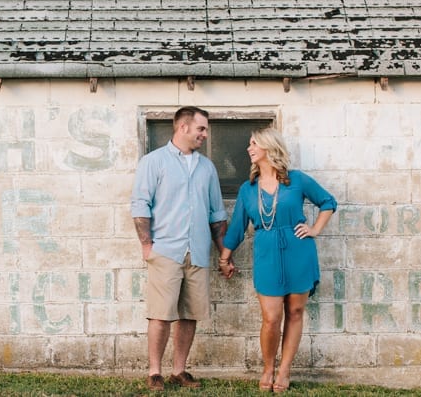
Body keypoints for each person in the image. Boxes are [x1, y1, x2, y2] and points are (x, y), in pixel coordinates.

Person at [218, 126, 336, 393]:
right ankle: (268, 367)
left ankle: (284, 371)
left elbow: (328, 202)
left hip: (299, 252)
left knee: (295, 312)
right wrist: (225, 257)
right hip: (267, 253)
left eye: (254, 144)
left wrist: (314, 229)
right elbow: (237, 227)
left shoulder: (297, 180)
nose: (249, 148)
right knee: (271, 318)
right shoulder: (248, 189)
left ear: (270, 147)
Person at [130, 106, 228, 392]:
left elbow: (217, 214)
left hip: (197, 251)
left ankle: (179, 370)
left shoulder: (206, 167)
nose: (205, 135)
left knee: (190, 314)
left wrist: (223, 251)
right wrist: (147, 245)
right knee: (161, 314)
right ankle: (154, 372)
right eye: (201, 129)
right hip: (166, 251)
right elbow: (140, 205)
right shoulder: (154, 162)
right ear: (183, 127)